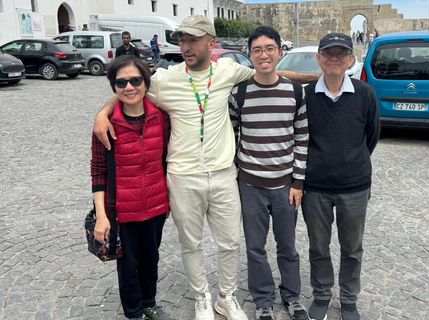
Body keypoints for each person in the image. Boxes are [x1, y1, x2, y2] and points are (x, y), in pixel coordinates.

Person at [93, 15, 318, 320]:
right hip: (183, 177)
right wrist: (103, 112)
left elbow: (270, 71)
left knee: (229, 243)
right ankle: (202, 296)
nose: (186, 46)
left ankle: (226, 297)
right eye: (183, 39)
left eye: (194, 40)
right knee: (191, 243)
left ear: (211, 43)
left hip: (225, 173)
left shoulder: (229, 70)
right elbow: (129, 88)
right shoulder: (165, 79)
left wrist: (324, 77)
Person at [228, 26, 309, 320]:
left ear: (279, 52)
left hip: (285, 186)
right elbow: (233, 136)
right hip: (250, 185)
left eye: (269, 48)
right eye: (257, 50)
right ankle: (263, 300)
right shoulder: (240, 93)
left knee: (288, 246)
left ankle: (292, 296)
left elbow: (302, 140)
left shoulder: (295, 92)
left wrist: (298, 182)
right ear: (250, 55)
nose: (263, 55)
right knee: (255, 247)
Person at [302, 33, 380, 320]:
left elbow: (371, 137)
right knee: (318, 247)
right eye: (328, 53)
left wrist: (352, 162)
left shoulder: (365, 94)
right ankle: (322, 294)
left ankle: (349, 299)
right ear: (319, 59)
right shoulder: (306, 95)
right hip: (315, 187)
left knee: (352, 248)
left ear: (350, 59)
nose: (334, 58)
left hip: (355, 186)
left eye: (341, 53)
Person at [90, 55, 171, 320]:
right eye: (120, 82)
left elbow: (166, 159)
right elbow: (99, 171)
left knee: (151, 261)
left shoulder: (162, 118)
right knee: (127, 267)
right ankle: (134, 313)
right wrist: (101, 216)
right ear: (113, 86)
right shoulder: (105, 126)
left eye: (135, 80)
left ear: (146, 82)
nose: (129, 87)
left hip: (156, 206)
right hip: (122, 210)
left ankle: (149, 303)